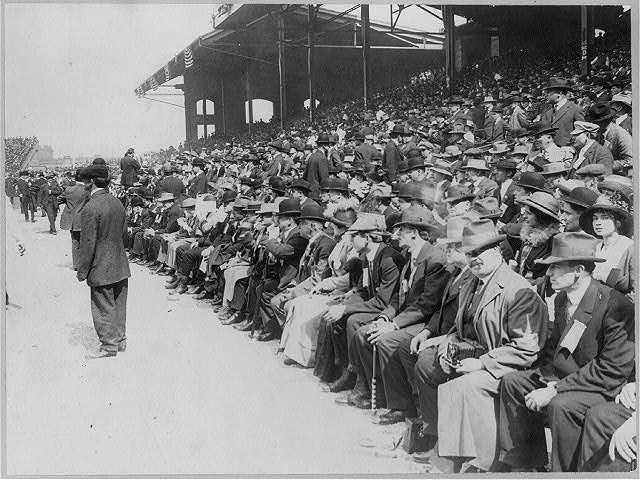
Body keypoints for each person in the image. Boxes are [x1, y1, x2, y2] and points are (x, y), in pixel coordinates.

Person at [412, 219, 548, 472]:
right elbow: (458, 328)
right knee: (426, 366)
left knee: (465, 385)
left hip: (508, 367)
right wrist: (448, 346)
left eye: (480, 252)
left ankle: (483, 462)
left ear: (496, 251)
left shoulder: (518, 290)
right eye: (470, 254)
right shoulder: (471, 284)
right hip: (471, 355)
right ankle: (444, 441)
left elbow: (527, 349)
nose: (474, 259)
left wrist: (482, 363)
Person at [498, 232, 635, 472]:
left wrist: (554, 389)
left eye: (555, 267)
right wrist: (541, 377)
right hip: (566, 376)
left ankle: (564, 472)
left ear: (579, 270)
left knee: (561, 405)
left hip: (599, 386)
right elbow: (554, 349)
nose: (548, 273)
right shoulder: (562, 298)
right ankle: (524, 464)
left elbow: (611, 370)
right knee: (513, 382)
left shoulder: (617, 306)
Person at [349, 206, 448, 413]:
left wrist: (394, 325)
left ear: (413, 232)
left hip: (427, 322)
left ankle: (402, 406)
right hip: (409, 317)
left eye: (401, 230)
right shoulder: (409, 255)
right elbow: (399, 296)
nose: (396, 235)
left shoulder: (434, 259)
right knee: (363, 333)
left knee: (384, 340)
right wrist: (385, 318)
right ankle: (379, 393)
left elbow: (427, 304)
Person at [76, 164, 131, 358]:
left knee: (103, 306)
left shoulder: (90, 208)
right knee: (119, 304)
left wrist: (82, 271)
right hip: (120, 264)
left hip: (101, 266)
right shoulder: (117, 203)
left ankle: (108, 346)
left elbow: (87, 244)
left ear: (90, 182)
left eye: (84, 181)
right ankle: (120, 340)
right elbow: (124, 235)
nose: (83, 184)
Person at [578, 195, 634, 295]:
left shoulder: (630, 247)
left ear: (617, 223)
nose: (598, 223)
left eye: (604, 218)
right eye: (595, 218)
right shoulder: (596, 247)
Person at [59, 169, 90, 270]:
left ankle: (76, 265)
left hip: (72, 221)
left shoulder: (68, 189)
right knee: (86, 241)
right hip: (84, 219)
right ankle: (85, 264)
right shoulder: (87, 190)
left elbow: (60, 199)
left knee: (75, 241)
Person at [540, 77, 585, 147]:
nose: (546, 94)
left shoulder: (575, 109)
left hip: (568, 151)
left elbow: (582, 133)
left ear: (559, 93)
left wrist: (572, 148)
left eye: (549, 92)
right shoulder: (547, 112)